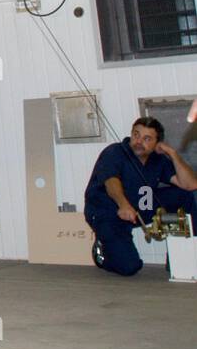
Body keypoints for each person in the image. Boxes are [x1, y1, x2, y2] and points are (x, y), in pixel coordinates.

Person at [84, 117, 197, 276]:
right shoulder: (115, 152)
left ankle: (182, 256)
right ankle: (103, 249)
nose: (138, 141)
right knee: (130, 267)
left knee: (185, 195)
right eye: (136, 135)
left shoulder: (158, 160)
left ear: (157, 143)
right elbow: (111, 182)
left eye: (147, 138)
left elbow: (190, 184)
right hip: (107, 212)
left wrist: (171, 153)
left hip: (141, 207)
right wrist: (123, 205)